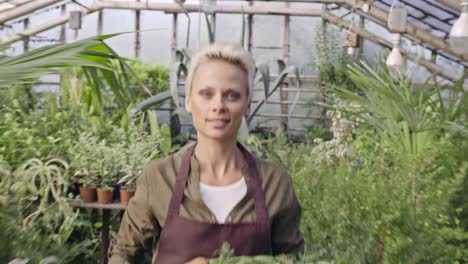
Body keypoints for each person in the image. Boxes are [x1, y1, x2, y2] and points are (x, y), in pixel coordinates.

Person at [109, 43, 304, 264]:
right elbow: (123, 255)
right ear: (189, 101)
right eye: (206, 94)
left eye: (231, 96)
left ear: (247, 104)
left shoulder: (275, 184)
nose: (218, 105)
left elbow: (292, 259)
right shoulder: (159, 177)